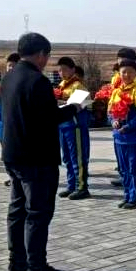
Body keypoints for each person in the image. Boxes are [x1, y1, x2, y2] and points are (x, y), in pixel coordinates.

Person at [2, 32, 83, 271]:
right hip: (36, 157)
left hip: (13, 153)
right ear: (40, 55)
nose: (46, 61)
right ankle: (36, 267)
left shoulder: (9, 77)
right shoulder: (38, 81)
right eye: (46, 56)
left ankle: (16, 262)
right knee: (37, 212)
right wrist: (74, 107)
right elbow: (48, 118)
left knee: (17, 210)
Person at [109, 60, 136, 209]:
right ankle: (127, 195)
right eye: (123, 72)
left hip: (133, 138)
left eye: (130, 72)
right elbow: (110, 111)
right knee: (123, 169)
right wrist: (113, 120)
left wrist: (128, 126)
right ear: (119, 74)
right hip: (119, 138)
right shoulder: (116, 91)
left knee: (135, 170)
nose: (126, 75)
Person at [55, 57, 91, 200]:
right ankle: (71, 185)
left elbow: (79, 105)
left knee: (78, 157)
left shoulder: (78, 86)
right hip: (63, 126)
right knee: (67, 158)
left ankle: (82, 187)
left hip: (75, 126)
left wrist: (61, 102)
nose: (62, 73)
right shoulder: (62, 85)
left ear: (73, 70)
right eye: (59, 70)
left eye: (64, 69)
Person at [0, 53, 20, 187]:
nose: (10, 68)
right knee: (5, 152)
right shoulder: (3, 82)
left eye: (13, 66)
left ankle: (16, 176)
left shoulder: (18, 83)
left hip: (11, 123)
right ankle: (11, 175)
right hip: (0, 122)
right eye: (9, 66)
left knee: (13, 152)